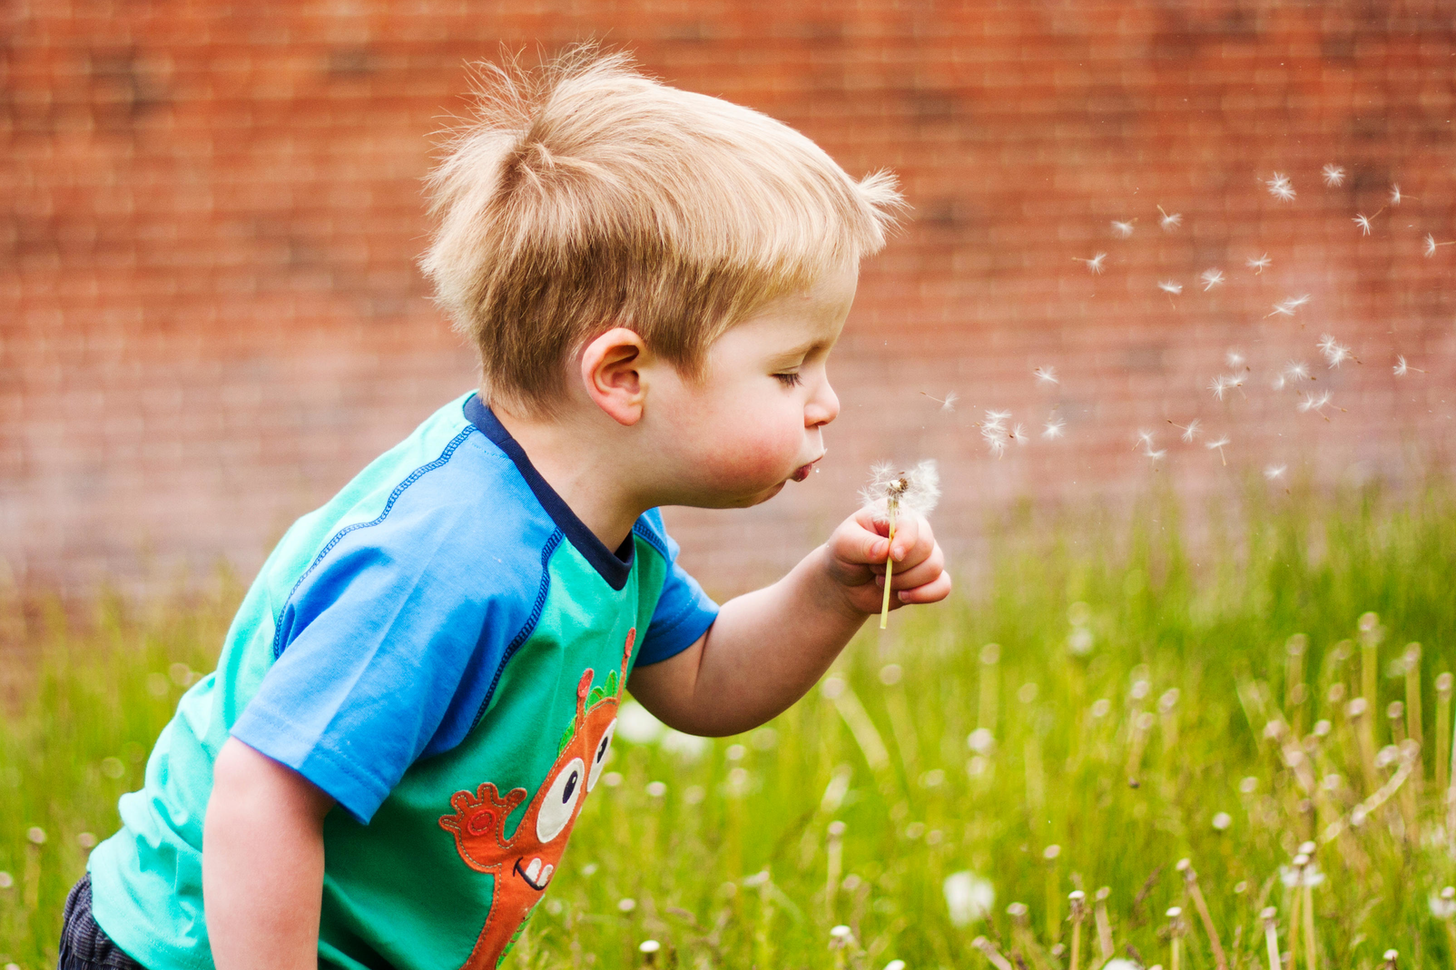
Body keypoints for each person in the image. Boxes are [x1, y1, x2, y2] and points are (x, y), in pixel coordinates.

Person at [60, 45, 950, 970]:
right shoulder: (451, 560)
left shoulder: (604, 521)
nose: (825, 401)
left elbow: (699, 681)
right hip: (193, 949)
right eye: (788, 368)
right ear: (622, 376)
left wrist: (832, 593)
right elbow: (264, 792)